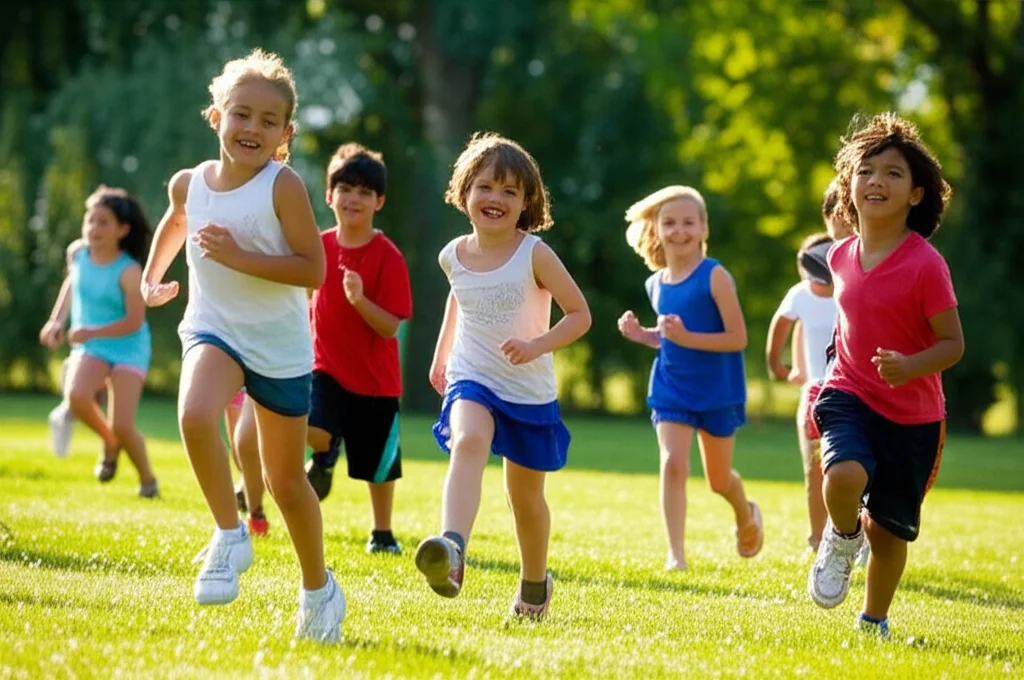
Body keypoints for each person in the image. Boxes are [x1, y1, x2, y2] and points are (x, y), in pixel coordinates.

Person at [139, 48, 344, 642]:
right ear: (216, 117)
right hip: (214, 327)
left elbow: (313, 270)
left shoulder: (283, 187)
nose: (252, 128)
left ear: (285, 135)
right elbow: (177, 220)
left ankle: (319, 591)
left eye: (268, 120)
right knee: (195, 414)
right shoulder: (190, 183)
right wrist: (152, 278)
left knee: (286, 484)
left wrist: (238, 256)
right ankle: (229, 535)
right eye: (241, 114)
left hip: (278, 347)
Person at [415, 132, 591, 620]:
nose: (496, 198)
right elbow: (459, 298)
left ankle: (535, 585)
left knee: (525, 499)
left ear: (527, 203)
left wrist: (536, 346)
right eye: (486, 187)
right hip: (472, 374)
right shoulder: (453, 254)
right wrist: (442, 355)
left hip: (527, 389)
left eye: (510, 191)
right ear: (464, 191)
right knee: (468, 440)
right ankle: (452, 549)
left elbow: (579, 314)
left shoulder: (534, 254)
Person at [807, 113, 964, 639]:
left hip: (913, 417)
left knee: (889, 531)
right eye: (866, 171)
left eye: (893, 173)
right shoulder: (840, 256)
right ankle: (841, 536)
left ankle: (874, 620)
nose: (877, 181)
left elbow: (953, 344)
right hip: (850, 392)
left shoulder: (926, 265)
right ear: (849, 186)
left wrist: (910, 366)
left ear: (916, 194)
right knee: (842, 476)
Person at [617, 185, 762, 571]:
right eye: (669, 223)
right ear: (657, 230)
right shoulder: (655, 283)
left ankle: (746, 512)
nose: (678, 231)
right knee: (673, 463)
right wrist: (642, 335)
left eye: (687, 223)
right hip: (672, 388)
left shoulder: (715, 277)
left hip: (718, 391)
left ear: (703, 228)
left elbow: (738, 338)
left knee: (718, 480)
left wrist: (685, 338)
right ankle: (676, 555)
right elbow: (669, 339)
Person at [306, 142, 413, 555]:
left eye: (365, 192)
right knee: (311, 426)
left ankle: (382, 533)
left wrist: (359, 300)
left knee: (379, 468)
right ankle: (324, 455)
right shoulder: (318, 247)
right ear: (329, 195)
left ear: (379, 202)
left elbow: (390, 326)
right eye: (345, 189)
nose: (353, 198)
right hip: (325, 368)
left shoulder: (388, 257)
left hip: (375, 383)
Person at [39, 185, 159, 498]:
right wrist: (56, 321)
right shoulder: (79, 256)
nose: (94, 228)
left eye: (103, 222)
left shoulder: (129, 271)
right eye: (90, 220)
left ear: (123, 230)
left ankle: (148, 481)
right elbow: (71, 285)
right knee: (77, 395)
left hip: (128, 347)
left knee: (123, 424)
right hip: (93, 347)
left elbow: (134, 321)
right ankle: (110, 442)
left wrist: (90, 332)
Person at [766, 233, 835, 552]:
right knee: (815, 470)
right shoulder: (799, 295)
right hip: (814, 392)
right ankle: (817, 540)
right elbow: (783, 328)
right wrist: (780, 369)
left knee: (853, 470)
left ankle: (854, 538)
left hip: (851, 388)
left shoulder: (850, 292)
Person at [225, 390, 269, 536]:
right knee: (239, 454)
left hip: (260, 383)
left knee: (247, 441)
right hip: (233, 386)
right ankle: (245, 487)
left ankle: (255, 512)